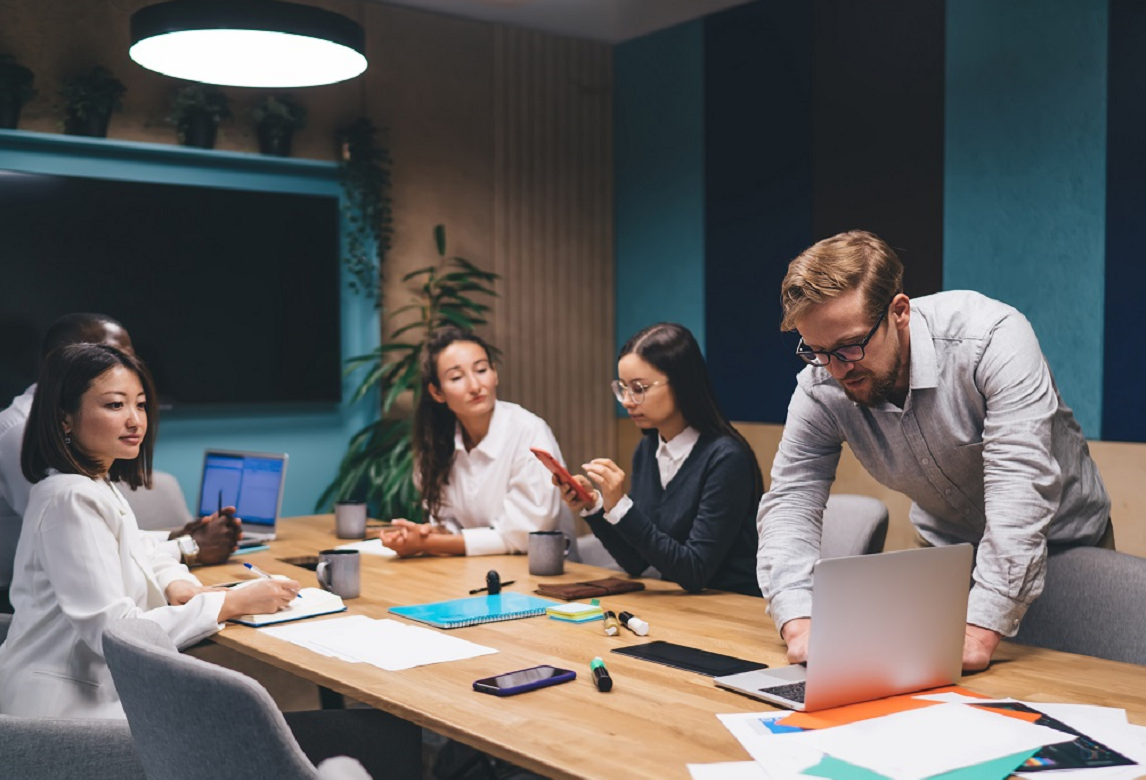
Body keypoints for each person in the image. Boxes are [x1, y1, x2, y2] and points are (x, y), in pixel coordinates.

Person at [757, 230, 1111, 672]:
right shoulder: (821, 385)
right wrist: (799, 619)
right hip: (950, 555)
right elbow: (791, 499)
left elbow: (1019, 488)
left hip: (1071, 544)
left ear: (899, 312)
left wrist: (981, 629)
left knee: (1088, 689)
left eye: (849, 347)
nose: (836, 369)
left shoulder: (991, 338)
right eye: (817, 351)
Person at [0, 343, 298, 719]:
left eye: (141, 404)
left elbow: (140, 549)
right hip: (55, 716)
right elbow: (113, 633)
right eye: (115, 405)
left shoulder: (93, 483)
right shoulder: (71, 498)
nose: (135, 420)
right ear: (65, 418)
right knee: (241, 726)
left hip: (85, 693)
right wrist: (231, 602)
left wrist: (178, 584)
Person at [0, 313, 241, 613]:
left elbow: (103, 538)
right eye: (108, 354)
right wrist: (189, 549)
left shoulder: (81, 445)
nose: (124, 367)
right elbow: (94, 546)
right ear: (59, 362)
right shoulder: (25, 436)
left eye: (129, 356)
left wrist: (178, 539)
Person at [555, 323, 764, 594]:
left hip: (733, 608)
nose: (627, 401)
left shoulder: (726, 458)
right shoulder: (647, 449)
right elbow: (636, 561)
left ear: (681, 383)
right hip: (680, 606)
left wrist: (621, 506)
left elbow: (694, 571)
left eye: (639, 388)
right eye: (623, 388)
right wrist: (595, 506)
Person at [380, 327, 573, 557]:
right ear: (437, 392)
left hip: (542, 573)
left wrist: (430, 544)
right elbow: (449, 525)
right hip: (471, 570)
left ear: (495, 374)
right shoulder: (436, 443)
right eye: (456, 377)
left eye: (481, 370)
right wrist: (424, 534)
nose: (474, 386)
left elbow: (525, 535)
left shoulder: (529, 432)